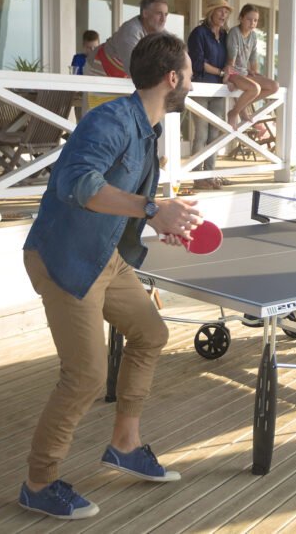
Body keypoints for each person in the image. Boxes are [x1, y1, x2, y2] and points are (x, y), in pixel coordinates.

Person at [19, 33, 201, 520]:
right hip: (65, 257)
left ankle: (125, 442)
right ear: (172, 78)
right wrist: (151, 207)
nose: (192, 79)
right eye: (189, 71)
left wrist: (158, 220)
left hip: (105, 255)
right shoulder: (111, 121)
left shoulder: (150, 128)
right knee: (85, 377)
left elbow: (126, 202)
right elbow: (78, 184)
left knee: (150, 333)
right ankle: (39, 482)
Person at [83, 0, 170, 109]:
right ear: (145, 13)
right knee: (92, 117)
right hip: (98, 69)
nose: (163, 19)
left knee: (121, 116)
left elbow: (178, 53)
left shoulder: (159, 31)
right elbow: (134, 70)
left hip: (120, 75)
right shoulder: (130, 31)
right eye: (159, 13)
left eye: (166, 14)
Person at [186, 0, 232, 190]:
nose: (224, 14)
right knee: (202, 133)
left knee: (215, 133)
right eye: (220, 10)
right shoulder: (199, 33)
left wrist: (228, 68)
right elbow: (197, 63)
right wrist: (221, 72)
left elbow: (231, 58)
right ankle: (198, 177)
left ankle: (210, 174)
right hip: (201, 87)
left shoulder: (225, 35)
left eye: (226, 11)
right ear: (211, 12)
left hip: (219, 89)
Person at [224, 3, 279, 129]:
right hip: (232, 72)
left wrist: (254, 73)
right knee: (255, 89)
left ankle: (242, 105)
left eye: (255, 20)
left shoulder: (253, 36)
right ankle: (234, 112)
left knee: (274, 86)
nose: (252, 23)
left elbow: (253, 59)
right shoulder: (234, 33)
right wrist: (227, 80)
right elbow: (231, 59)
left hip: (244, 72)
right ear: (241, 18)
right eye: (249, 19)